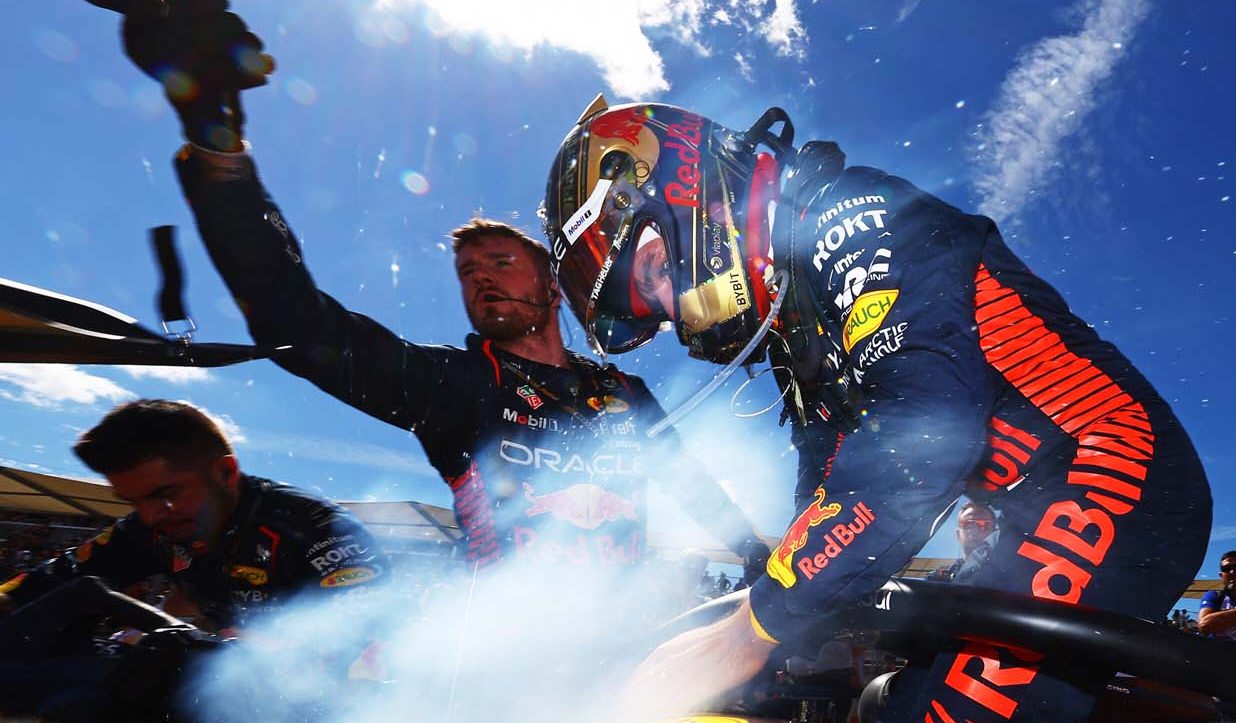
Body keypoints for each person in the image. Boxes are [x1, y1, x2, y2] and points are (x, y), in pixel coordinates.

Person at [543, 98, 1213, 723]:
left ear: (684, 195)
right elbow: (827, 498)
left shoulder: (848, 213)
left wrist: (750, 633)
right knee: (894, 718)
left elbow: (923, 429)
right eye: (645, 310)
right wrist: (760, 619)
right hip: (1031, 507)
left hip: (1111, 462)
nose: (668, 312)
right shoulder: (796, 319)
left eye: (649, 276)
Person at [113, 7, 766, 576]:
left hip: (629, 650)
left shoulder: (627, 394)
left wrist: (762, 559)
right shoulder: (451, 384)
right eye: (466, 272)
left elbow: (694, 488)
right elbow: (298, 327)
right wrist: (217, 150)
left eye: (501, 261)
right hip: (501, 656)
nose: (480, 277)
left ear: (555, 285)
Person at [0, 399, 386, 639]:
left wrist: (238, 649)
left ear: (226, 473)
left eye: (165, 496)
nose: (149, 516)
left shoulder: (318, 528)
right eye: (132, 502)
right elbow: (53, 579)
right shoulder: (147, 528)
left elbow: (368, 629)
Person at [927, 500, 998, 584]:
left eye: (984, 525)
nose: (975, 531)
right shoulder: (940, 579)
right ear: (958, 535)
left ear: (995, 532)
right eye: (968, 525)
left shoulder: (1011, 574)